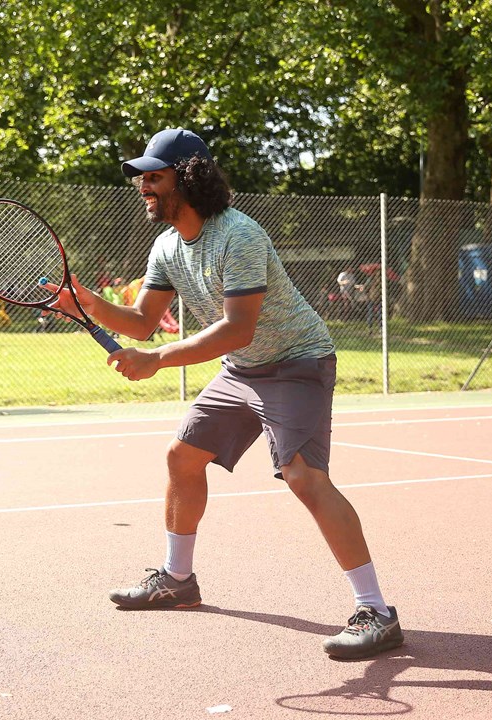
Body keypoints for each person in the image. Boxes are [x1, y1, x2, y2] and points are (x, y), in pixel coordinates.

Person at [43, 128, 401, 659]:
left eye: (154, 176)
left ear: (188, 176)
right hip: (243, 370)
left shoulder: (241, 235)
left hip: (296, 363)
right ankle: (177, 580)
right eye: (141, 177)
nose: (143, 185)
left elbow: (238, 328)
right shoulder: (166, 245)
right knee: (182, 457)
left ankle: (377, 612)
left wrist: (157, 361)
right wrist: (90, 304)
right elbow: (142, 322)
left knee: (304, 477)